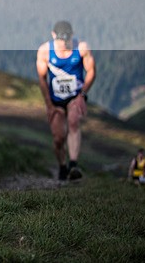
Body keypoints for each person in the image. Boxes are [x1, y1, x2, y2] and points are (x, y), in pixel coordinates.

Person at [36, 20, 96, 181]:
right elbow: (42, 79)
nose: (64, 43)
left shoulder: (82, 49)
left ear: (72, 36)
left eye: (67, 39)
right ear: (53, 36)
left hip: (74, 96)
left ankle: (73, 164)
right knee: (58, 137)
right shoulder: (44, 52)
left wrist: (82, 95)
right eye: (60, 40)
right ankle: (62, 166)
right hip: (55, 100)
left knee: (74, 122)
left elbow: (91, 71)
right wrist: (48, 105)